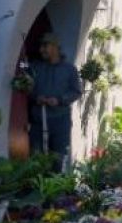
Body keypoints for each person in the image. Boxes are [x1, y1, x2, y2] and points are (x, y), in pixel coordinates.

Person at [29, 33, 83, 166]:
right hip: (38, 122)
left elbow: (76, 91)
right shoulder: (35, 68)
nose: (41, 50)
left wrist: (59, 100)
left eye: (45, 46)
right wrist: (36, 97)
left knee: (58, 161)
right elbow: (26, 89)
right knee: (36, 162)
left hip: (60, 123)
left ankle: (57, 185)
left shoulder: (69, 70)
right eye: (41, 46)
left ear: (55, 47)